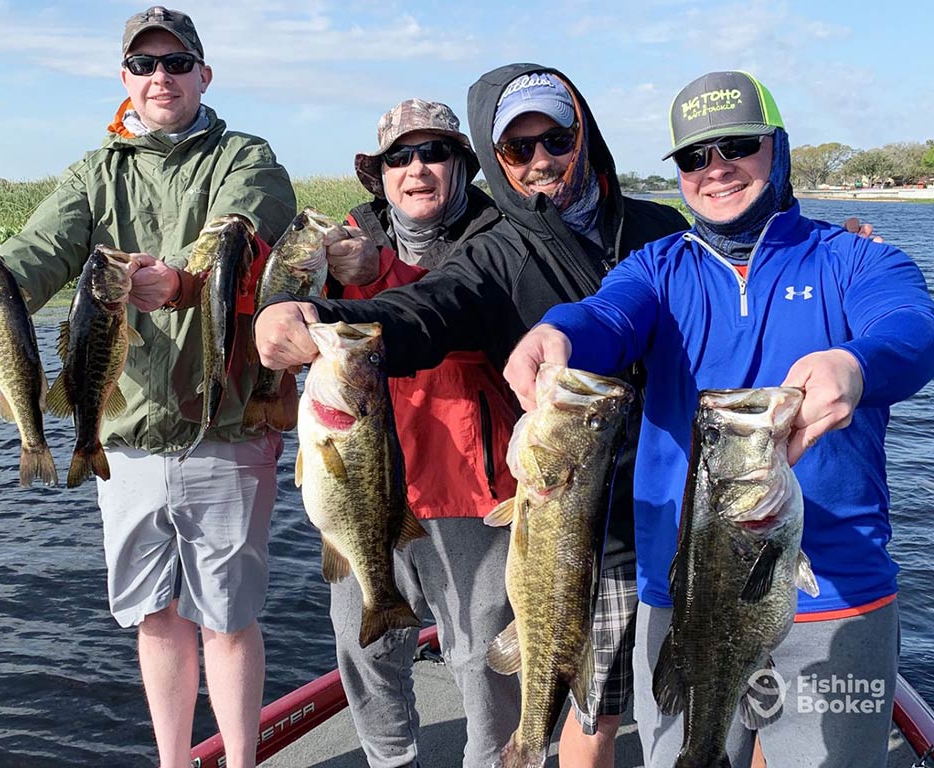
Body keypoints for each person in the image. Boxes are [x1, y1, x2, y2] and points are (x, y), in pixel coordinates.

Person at [254, 64, 691, 767]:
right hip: (564, 506)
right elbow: (426, 311)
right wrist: (315, 311)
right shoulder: (488, 251)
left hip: (644, 495)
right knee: (593, 709)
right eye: (519, 149)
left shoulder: (661, 232)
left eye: (557, 137)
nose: (542, 159)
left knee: (697, 696)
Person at [502, 70, 934, 768]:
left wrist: (856, 366)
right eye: (694, 156)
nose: (716, 168)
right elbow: (606, 317)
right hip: (683, 593)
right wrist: (557, 334)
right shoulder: (655, 267)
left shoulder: (856, 258)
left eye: (737, 144)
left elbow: (913, 329)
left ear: (778, 149)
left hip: (840, 596)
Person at [0, 7, 296, 767]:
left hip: (223, 423)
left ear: (204, 74)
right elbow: (37, 251)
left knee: (228, 618)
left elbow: (245, 228)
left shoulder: (246, 155)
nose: (161, 77)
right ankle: (172, 759)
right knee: (154, 616)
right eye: (145, 65)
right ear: (124, 79)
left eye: (176, 62)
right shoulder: (93, 173)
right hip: (120, 436)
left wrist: (186, 280)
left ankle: (240, 760)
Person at [320, 97, 521, 768]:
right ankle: (389, 759)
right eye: (399, 157)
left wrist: (381, 277)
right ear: (377, 173)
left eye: (433, 152)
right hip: (361, 484)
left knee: (482, 653)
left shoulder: (503, 237)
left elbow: (450, 311)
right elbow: (262, 296)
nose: (416, 168)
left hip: (470, 482)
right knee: (362, 643)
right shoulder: (343, 240)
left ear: (461, 165)